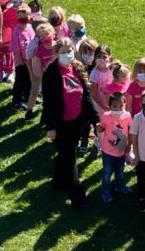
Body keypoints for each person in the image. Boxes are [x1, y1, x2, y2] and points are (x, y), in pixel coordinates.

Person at [41, 38, 98, 209]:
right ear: (57, 53)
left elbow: (86, 96)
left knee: (66, 154)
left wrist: (96, 119)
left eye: (70, 50)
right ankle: (77, 196)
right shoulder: (51, 73)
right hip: (60, 124)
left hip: (76, 122)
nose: (68, 54)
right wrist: (50, 127)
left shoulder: (78, 69)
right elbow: (49, 102)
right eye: (64, 51)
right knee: (70, 158)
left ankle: (58, 183)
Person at [97, 92, 133, 202]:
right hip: (108, 151)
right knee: (107, 173)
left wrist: (129, 145)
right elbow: (102, 128)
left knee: (120, 171)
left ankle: (119, 186)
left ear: (125, 105)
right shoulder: (106, 116)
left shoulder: (127, 116)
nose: (118, 109)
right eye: (115, 106)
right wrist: (99, 128)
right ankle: (106, 191)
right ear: (109, 106)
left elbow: (130, 131)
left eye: (121, 106)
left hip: (121, 151)